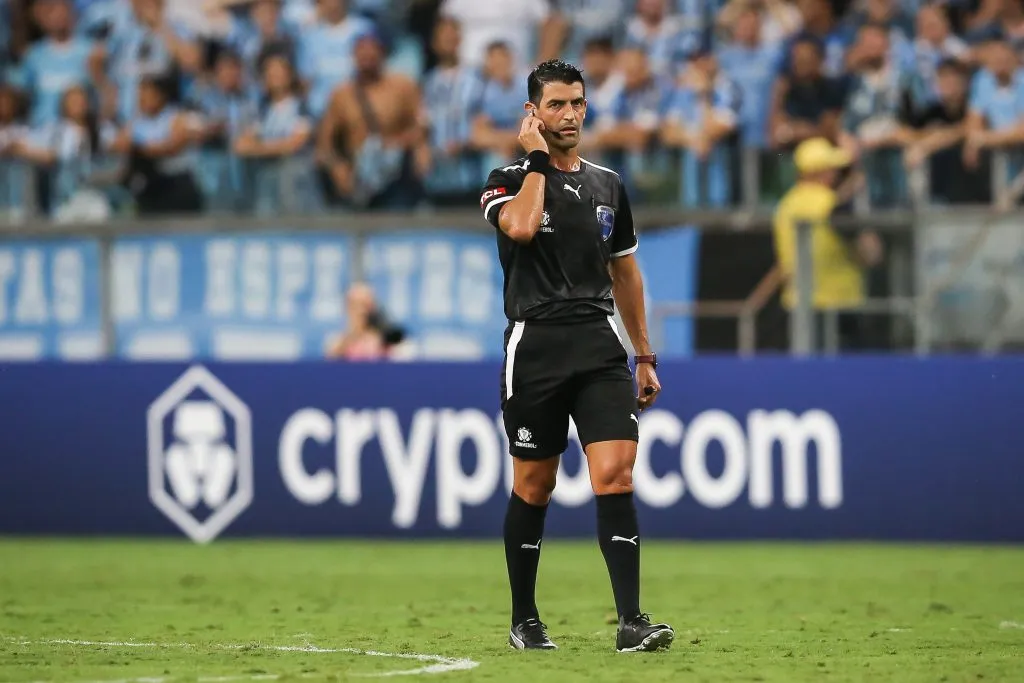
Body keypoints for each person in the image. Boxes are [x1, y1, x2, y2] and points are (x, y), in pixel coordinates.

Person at [480, 59, 673, 653]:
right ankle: (524, 620)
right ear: (532, 113)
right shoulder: (506, 178)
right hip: (535, 344)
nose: (569, 115)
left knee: (615, 472)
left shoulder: (608, 185)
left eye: (577, 103)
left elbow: (626, 272)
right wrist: (537, 161)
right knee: (534, 484)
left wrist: (644, 354)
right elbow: (521, 228)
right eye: (556, 105)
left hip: (597, 343)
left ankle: (631, 621)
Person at [772, 137, 883, 350]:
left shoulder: (785, 205)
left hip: (796, 304)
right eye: (833, 169)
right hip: (837, 307)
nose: (837, 175)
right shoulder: (832, 205)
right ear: (820, 172)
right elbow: (871, 253)